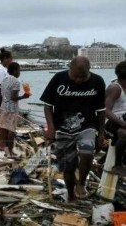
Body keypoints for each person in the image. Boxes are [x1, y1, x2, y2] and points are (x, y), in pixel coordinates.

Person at [40, 56, 106, 201]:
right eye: (75, 76)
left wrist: (101, 134)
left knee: (87, 152)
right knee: (68, 167)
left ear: (89, 71)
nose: (78, 80)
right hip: (62, 128)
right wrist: (50, 128)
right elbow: (47, 105)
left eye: (83, 77)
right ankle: (70, 195)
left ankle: (81, 183)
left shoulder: (97, 81)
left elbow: (101, 111)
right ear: (69, 68)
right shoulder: (58, 78)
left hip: (87, 125)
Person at [0, 62, 30, 157]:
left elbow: (2, 94)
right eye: (19, 70)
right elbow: (13, 97)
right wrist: (24, 96)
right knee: (11, 131)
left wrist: (0, 107)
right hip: (12, 109)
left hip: (4, 107)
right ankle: (10, 152)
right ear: (15, 70)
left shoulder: (4, 79)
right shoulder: (16, 81)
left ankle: (6, 152)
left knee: (5, 130)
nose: (20, 72)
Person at [105, 61, 126, 176]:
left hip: (123, 120)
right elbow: (106, 111)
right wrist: (123, 124)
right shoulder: (115, 88)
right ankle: (117, 165)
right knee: (124, 133)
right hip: (111, 124)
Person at [0, 48, 13, 151]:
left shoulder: (3, 69)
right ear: (5, 59)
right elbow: (1, 89)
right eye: (10, 59)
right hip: (1, 100)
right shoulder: (0, 70)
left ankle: (3, 142)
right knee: (2, 122)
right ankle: (1, 144)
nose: (11, 61)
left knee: (3, 122)